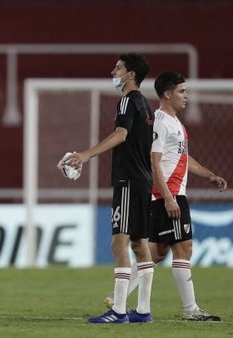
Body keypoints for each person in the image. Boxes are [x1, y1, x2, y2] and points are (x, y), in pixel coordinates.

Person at [104, 71, 226, 321]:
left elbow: (182, 157)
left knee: (158, 251)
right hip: (166, 194)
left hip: (169, 192)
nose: (186, 96)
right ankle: (191, 310)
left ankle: (119, 296)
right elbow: (154, 160)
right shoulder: (160, 121)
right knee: (184, 248)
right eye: (182, 91)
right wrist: (169, 197)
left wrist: (209, 174)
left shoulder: (175, 123)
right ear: (167, 94)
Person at [65, 53, 155, 324]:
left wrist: (86, 154)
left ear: (131, 74)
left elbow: (121, 134)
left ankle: (118, 310)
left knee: (119, 242)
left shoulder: (127, 101)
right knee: (140, 245)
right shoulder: (146, 105)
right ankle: (142, 310)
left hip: (128, 181)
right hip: (143, 180)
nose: (113, 71)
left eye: (118, 68)